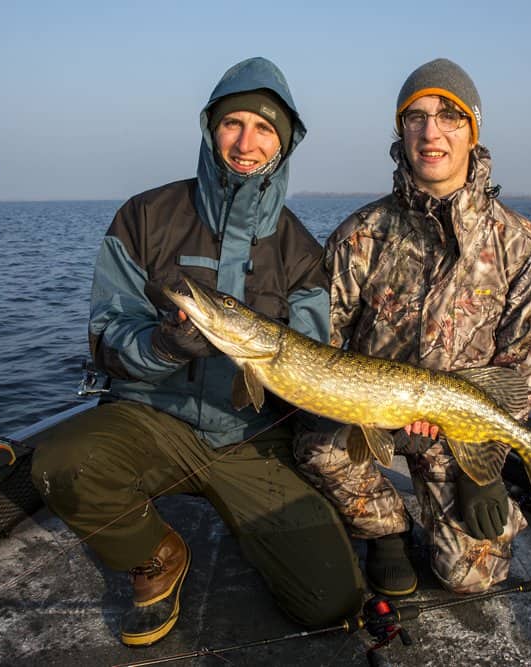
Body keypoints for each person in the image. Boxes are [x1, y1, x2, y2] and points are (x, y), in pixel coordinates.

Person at [30, 57, 364, 647]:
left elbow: (312, 365)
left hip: (247, 438)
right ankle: (155, 553)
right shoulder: (145, 217)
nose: (247, 141)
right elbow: (109, 331)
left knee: (328, 602)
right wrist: (161, 344)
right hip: (150, 418)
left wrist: (375, 411)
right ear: (211, 129)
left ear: (284, 144)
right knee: (63, 464)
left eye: (265, 129)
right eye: (233, 123)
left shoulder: (302, 252)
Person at [295, 58, 531, 597]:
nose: (431, 132)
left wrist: (484, 465)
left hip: (460, 428)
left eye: (449, 116)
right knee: (314, 446)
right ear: (401, 132)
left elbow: (524, 365)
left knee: (471, 575)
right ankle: (386, 533)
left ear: (473, 131)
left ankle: (468, 496)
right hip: (370, 413)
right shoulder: (360, 233)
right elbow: (323, 338)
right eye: (415, 117)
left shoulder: (519, 242)